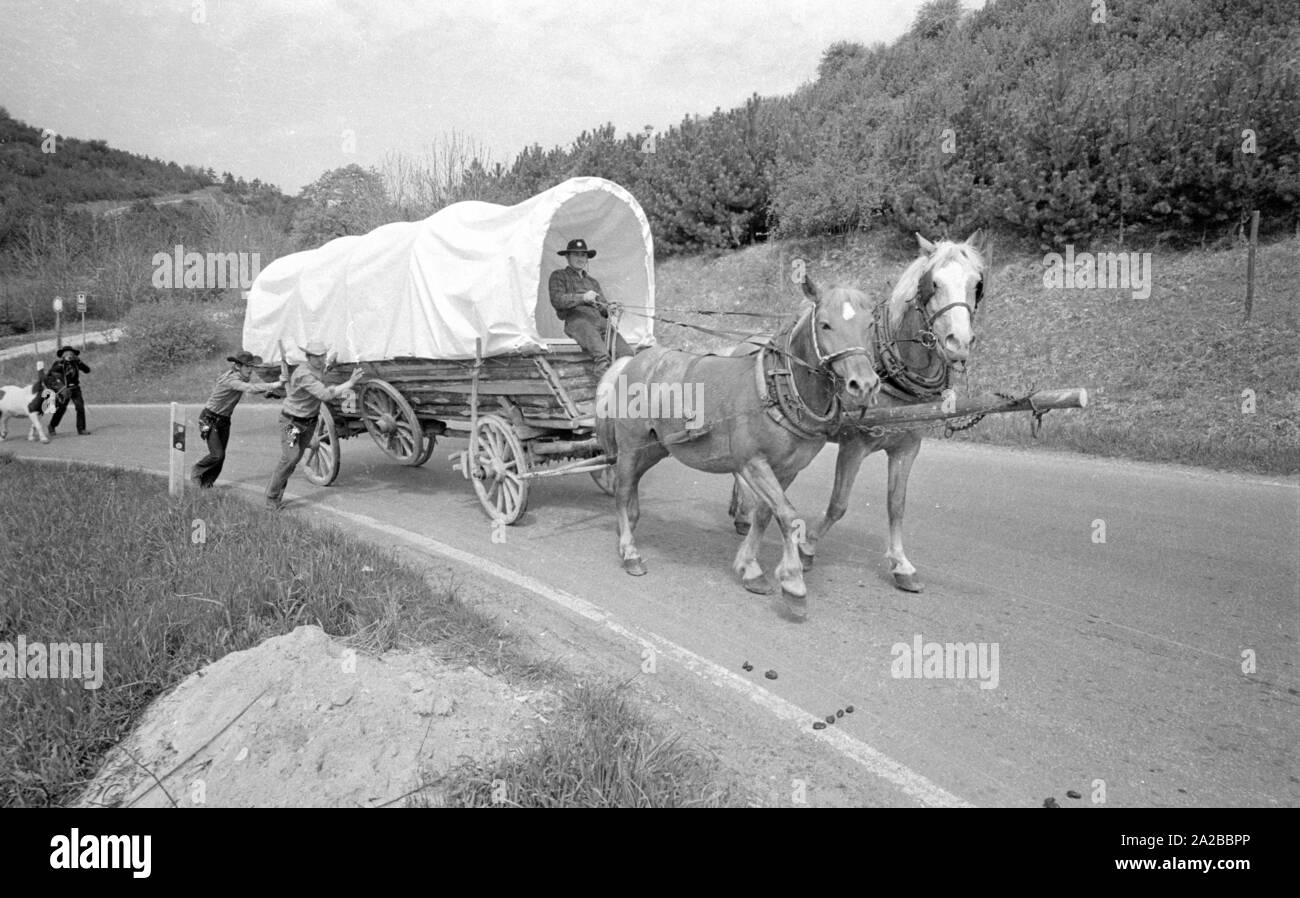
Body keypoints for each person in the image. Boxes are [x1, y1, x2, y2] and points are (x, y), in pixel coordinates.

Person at [265, 340, 364, 510]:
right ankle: (271, 497)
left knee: (294, 459)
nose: (320, 360)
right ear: (308, 357)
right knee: (289, 458)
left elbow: (321, 372)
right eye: (316, 357)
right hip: (291, 423)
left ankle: (276, 493)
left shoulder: (316, 368)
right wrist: (350, 383)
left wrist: (329, 364)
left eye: (322, 356)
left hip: (309, 423)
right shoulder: (303, 374)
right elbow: (324, 394)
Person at [191, 350, 286, 489]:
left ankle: (206, 485)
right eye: (247, 366)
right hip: (209, 419)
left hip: (224, 420)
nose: (250, 370)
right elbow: (250, 388)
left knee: (221, 457)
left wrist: (271, 392)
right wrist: (275, 385)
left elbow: (257, 388)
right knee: (217, 455)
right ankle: (197, 471)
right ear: (237, 366)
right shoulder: (231, 379)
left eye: (251, 366)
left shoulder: (242, 378)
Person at [548, 238, 633, 379]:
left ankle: (625, 392)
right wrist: (582, 298)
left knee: (627, 355)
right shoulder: (559, 276)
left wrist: (611, 308)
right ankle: (604, 396)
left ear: (587, 258)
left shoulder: (592, 282)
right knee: (602, 356)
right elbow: (557, 300)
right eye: (576, 255)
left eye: (583, 255)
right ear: (567, 257)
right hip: (578, 322)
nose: (580, 258)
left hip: (601, 323)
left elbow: (603, 309)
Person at [47, 346, 91, 436]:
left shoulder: (76, 363)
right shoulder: (59, 363)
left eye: (71, 353)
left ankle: (81, 429)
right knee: (61, 409)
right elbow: (51, 375)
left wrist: (80, 362)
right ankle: (52, 426)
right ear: (63, 355)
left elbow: (87, 370)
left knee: (80, 407)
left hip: (75, 388)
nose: (69, 355)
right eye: (67, 354)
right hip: (64, 389)